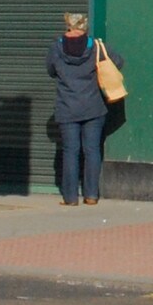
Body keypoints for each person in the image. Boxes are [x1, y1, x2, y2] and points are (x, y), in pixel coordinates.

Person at [47, 13, 122, 206]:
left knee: (70, 151)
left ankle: (70, 198)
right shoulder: (96, 46)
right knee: (92, 150)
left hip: (67, 107)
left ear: (68, 25)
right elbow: (118, 62)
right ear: (85, 26)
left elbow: (50, 70)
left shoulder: (56, 47)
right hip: (93, 107)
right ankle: (91, 195)